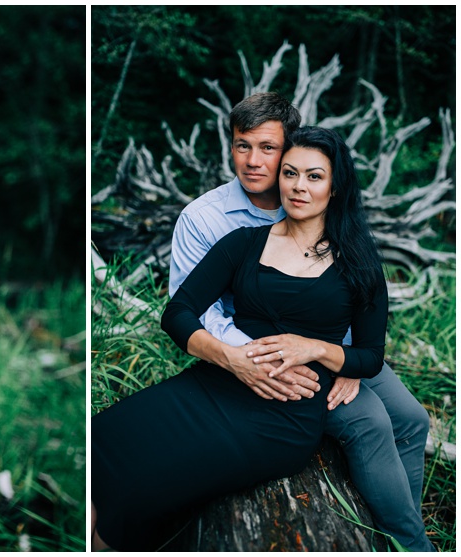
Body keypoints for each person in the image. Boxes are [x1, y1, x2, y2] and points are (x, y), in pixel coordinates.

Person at [91, 126, 401, 550]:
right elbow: (177, 313)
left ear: (336, 186)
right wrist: (233, 360)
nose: (298, 186)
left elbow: (370, 357)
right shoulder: (244, 243)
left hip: (283, 414)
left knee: (143, 488)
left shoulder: (359, 262)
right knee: (99, 441)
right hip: (217, 382)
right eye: (290, 173)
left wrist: (314, 348)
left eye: (314, 176)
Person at [165, 92, 432, 551]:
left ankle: (400, 532)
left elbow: (346, 300)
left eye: (269, 148)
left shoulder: (326, 212)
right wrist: (269, 358)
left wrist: (342, 360)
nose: (253, 161)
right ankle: (410, 542)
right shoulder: (206, 219)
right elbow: (198, 313)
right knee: (369, 422)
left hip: (330, 345)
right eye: (242, 145)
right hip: (253, 354)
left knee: (411, 418)